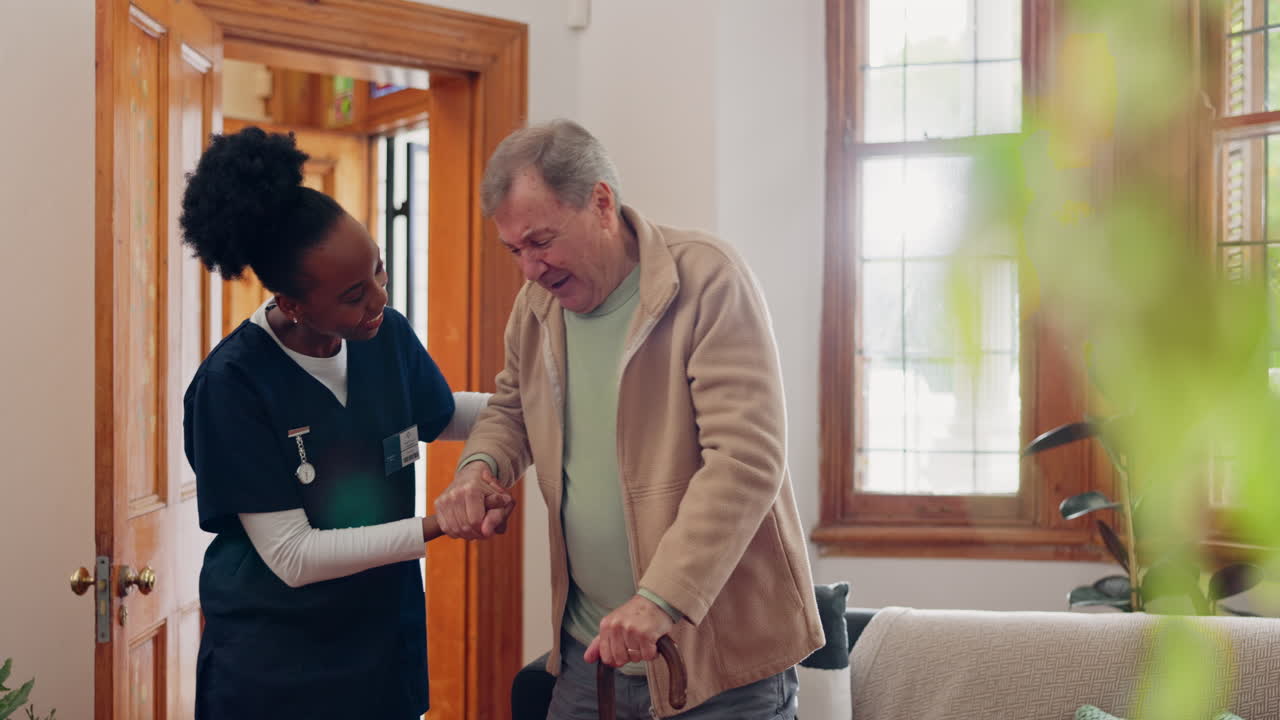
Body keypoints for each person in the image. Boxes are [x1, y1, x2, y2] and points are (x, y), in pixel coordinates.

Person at [434, 119, 823, 719]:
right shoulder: (537, 307)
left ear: (602, 202)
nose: (529, 268)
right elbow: (511, 405)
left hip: (719, 664)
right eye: (514, 250)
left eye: (541, 241)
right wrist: (478, 468)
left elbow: (745, 460)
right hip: (594, 658)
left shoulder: (707, 279)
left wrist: (660, 599)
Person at [179, 127, 502, 719]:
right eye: (355, 294)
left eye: (379, 272)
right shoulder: (233, 385)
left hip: (380, 641)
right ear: (294, 305)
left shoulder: (387, 335)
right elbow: (294, 556)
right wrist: (437, 524)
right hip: (278, 664)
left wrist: (538, 404)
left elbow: (437, 413)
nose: (379, 298)